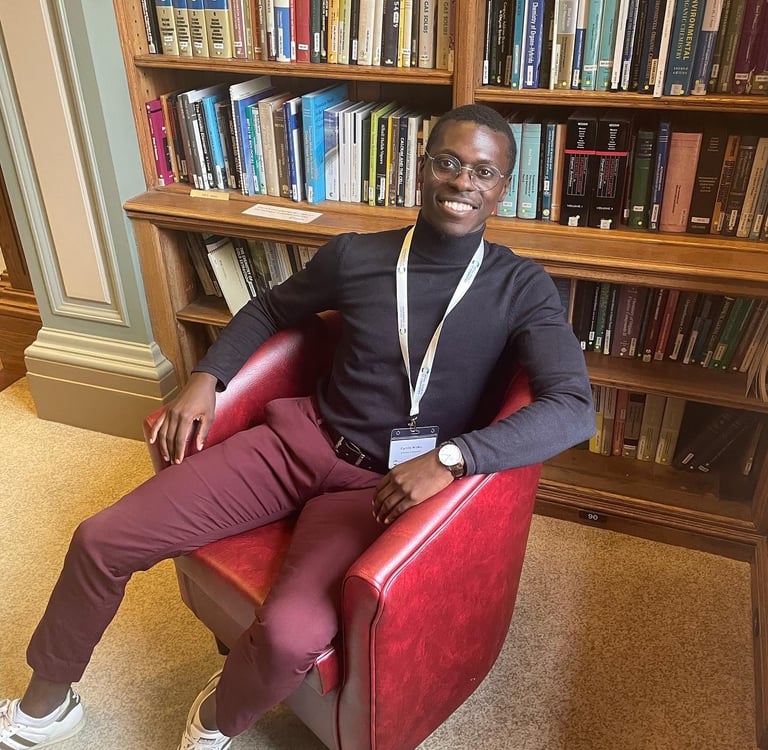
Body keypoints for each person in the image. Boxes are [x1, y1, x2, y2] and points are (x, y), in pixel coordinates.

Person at [0, 103, 594, 750]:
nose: (463, 182)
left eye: (484, 171)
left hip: (379, 490)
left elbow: (572, 406)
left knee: (290, 636)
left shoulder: (521, 287)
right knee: (102, 537)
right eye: (448, 163)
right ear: (422, 171)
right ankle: (46, 706)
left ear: (501, 189)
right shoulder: (357, 257)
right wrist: (209, 377)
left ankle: (215, 717)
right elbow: (270, 307)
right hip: (298, 443)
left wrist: (451, 459)